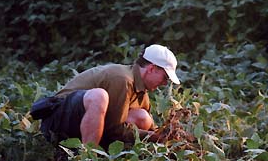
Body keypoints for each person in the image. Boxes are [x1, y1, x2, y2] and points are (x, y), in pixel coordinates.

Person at [35, 44, 181, 149]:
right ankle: (89, 160)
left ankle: (107, 156)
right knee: (99, 96)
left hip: (81, 126)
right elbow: (114, 130)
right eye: (164, 77)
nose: (164, 83)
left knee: (142, 117)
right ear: (151, 69)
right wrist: (153, 137)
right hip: (57, 121)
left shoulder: (141, 92)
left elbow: (148, 128)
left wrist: (163, 136)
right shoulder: (122, 79)